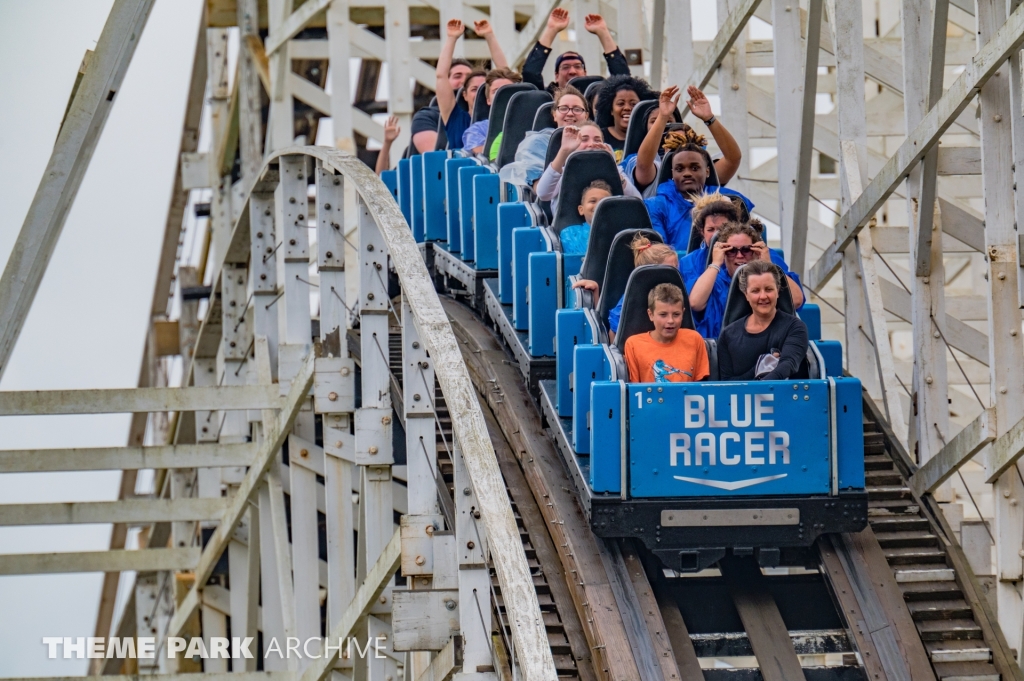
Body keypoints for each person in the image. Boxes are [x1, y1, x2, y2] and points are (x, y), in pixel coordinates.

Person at [688, 222, 804, 338]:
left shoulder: (771, 279)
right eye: (731, 251)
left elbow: (797, 300)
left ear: (756, 251)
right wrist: (716, 263)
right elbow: (695, 303)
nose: (739, 256)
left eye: (746, 250)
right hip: (721, 345)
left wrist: (768, 263)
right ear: (724, 253)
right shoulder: (713, 281)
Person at [644, 127, 753, 251]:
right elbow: (659, 250)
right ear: (672, 173)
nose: (687, 173)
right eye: (679, 169)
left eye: (694, 168)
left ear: (707, 171)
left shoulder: (730, 200)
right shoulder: (656, 205)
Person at [630, 85, 743, 194]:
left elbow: (733, 159)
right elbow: (643, 164)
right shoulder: (654, 170)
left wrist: (709, 118)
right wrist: (663, 117)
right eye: (674, 144)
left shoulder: (703, 168)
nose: (687, 174)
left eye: (694, 168)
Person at [572, 232, 678, 340]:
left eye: (676, 269)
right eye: (669, 271)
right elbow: (614, 339)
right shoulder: (629, 300)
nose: (676, 275)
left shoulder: (679, 295)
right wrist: (595, 294)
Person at [718, 260, 809, 381]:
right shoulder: (728, 335)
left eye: (768, 289)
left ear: (778, 291)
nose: (763, 296)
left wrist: (760, 380)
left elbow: (788, 364)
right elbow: (727, 383)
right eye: (755, 291)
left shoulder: (795, 327)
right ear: (746, 294)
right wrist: (759, 368)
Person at [436, 19, 509, 151]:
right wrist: (451, 38)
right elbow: (441, 76)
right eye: (475, 89)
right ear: (464, 95)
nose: (480, 94)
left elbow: (506, 76)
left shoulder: (502, 118)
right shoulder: (456, 118)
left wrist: (489, 36)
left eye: (484, 89)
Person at [536, 123, 641, 214]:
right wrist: (564, 150)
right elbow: (543, 194)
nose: (591, 144)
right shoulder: (564, 172)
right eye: (584, 139)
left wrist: (611, 165)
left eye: (597, 140)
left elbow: (636, 201)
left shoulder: (617, 171)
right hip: (569, 229)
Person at [499, 85, 589, 188]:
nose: (570, 113)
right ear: (554, 115)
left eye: (577, 109)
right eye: (563, 108)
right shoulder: (537, 143)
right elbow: (538, 190)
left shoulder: (594, 141)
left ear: (586, 116)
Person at [522, 9, 631, 93]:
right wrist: (551, 29)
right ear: (556, 76)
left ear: (585, 73)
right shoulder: (548, 97)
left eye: (578, 66)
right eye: (565, 67)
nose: (572, 71)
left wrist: (603, 32)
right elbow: (530, 73)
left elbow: (622, 79)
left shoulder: (597, 98)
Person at [624, 283, 710, 383]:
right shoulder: (634, 345)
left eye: (676, 314)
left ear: (683, 313)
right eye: (663, 315)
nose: (670, 321)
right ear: (651, 315)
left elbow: (701, 386)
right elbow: (634, 388)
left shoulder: (695, 339)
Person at [410, 58, 472, 153]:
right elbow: (435, 156)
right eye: (457, 76)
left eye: (469, 78)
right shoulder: (426, 117)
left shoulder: (484, 117)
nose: (464, 81)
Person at [676, 193, 741, 283]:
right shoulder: (688, 263)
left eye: (722, 229)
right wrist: (715, 264)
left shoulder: (746, 255)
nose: (716, 235)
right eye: (710, 230)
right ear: (702, 232)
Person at [462, 67, 523, 157]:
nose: (501, 95)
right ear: (488, 100)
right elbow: (485, 158)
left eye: (506, 91)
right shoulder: (477, 130)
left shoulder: (532, 123)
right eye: (496, 91)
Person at [594, 75, 657, 161]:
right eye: (621, 103)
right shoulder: (599, 136)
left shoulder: (649, 137)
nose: (627, 108)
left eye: (633, 104)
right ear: (611, 109)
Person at [559, 179, 613, 255]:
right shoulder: (570, 233)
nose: (599, 205)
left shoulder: (620, 233)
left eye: (603, 202)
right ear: (581, 210)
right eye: (593, 201)